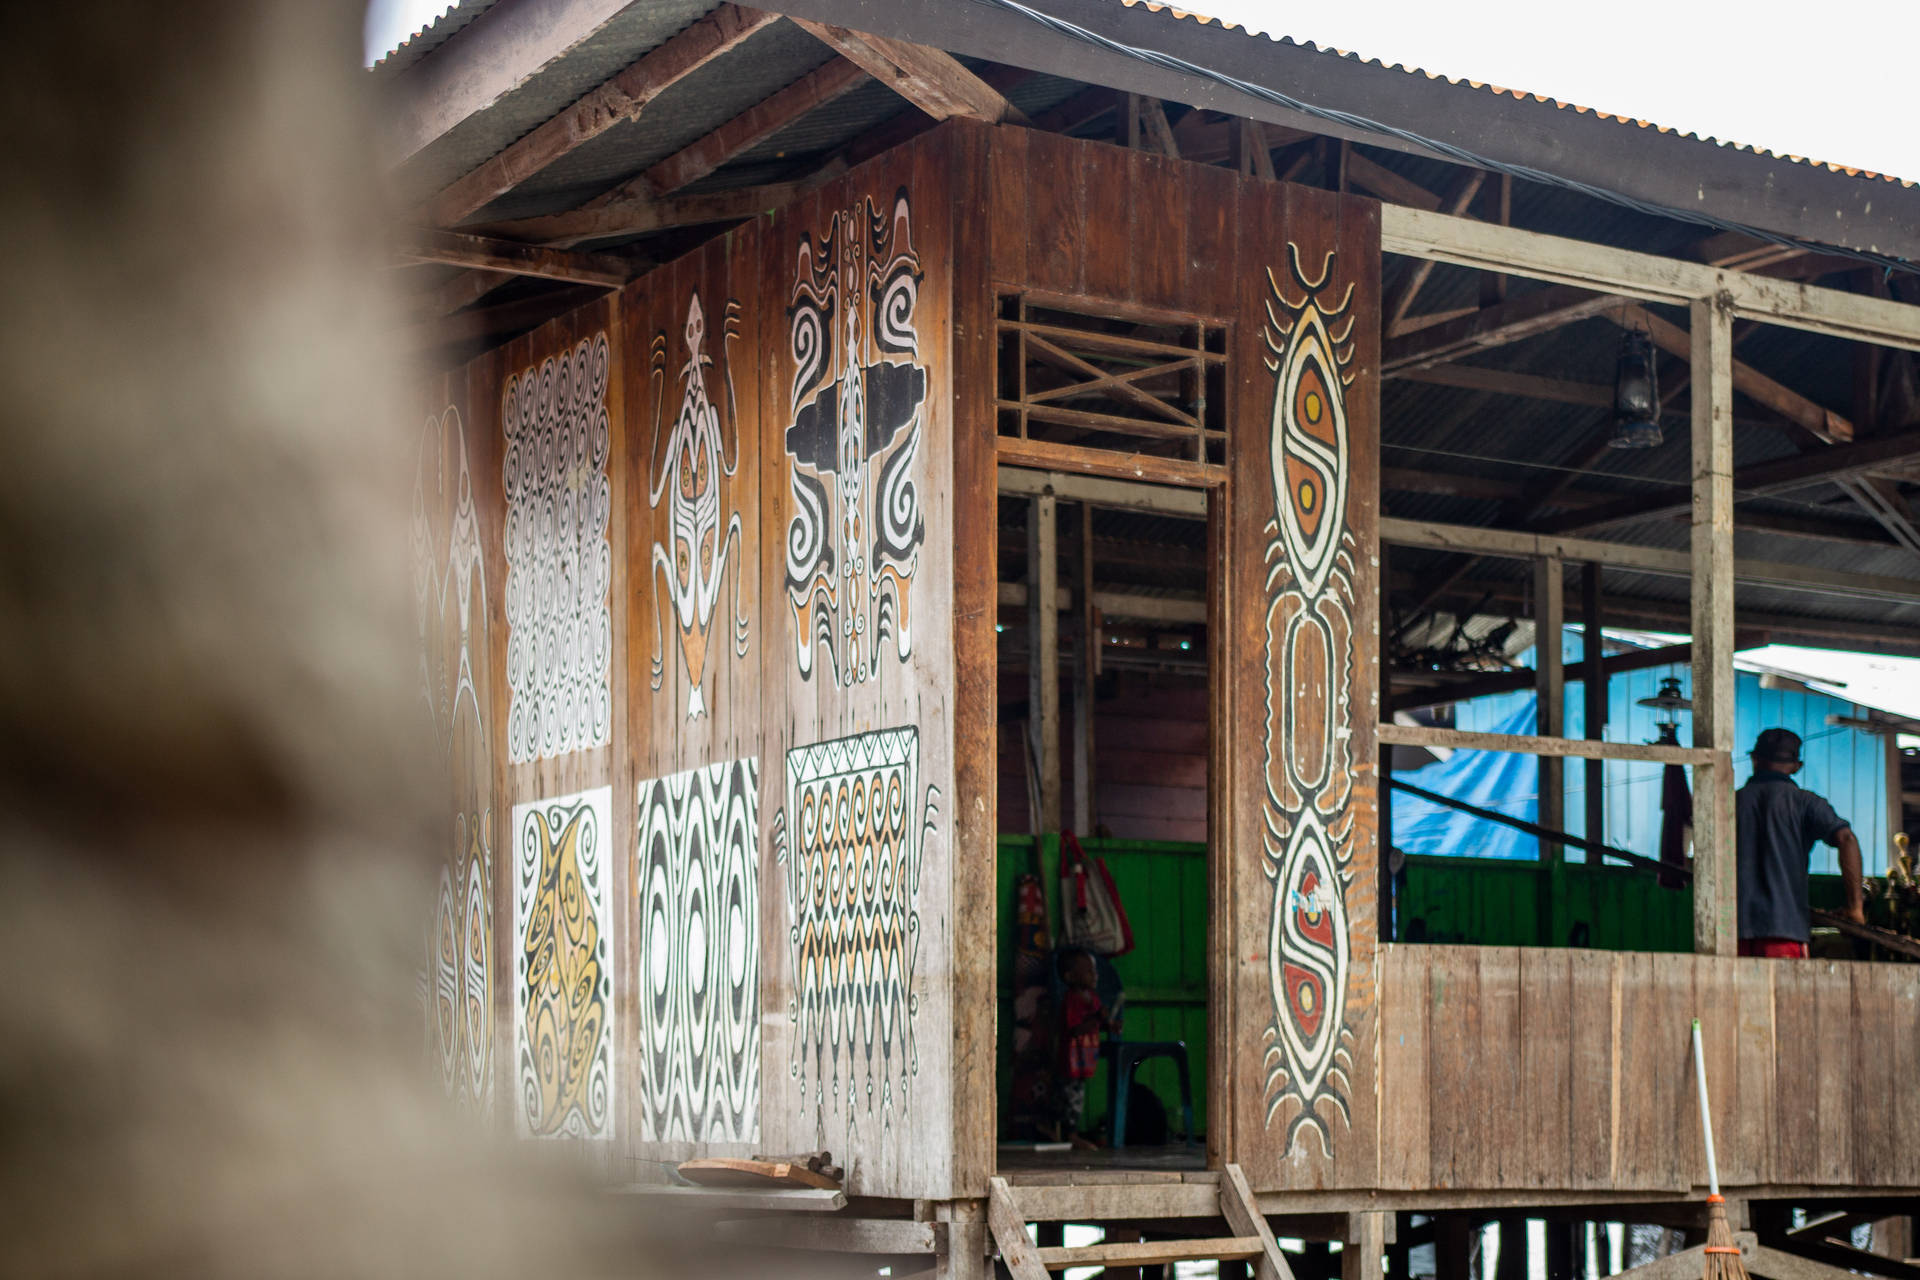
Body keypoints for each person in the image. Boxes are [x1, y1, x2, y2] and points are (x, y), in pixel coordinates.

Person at [1736, 728, 1866, 958]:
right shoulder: (1806, 803)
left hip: (1731, 932)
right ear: (1797, 766)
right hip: (1785, 931)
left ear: (1755, 759)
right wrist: (1855, 907)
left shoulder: (1730, 801)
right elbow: (1847, 839)